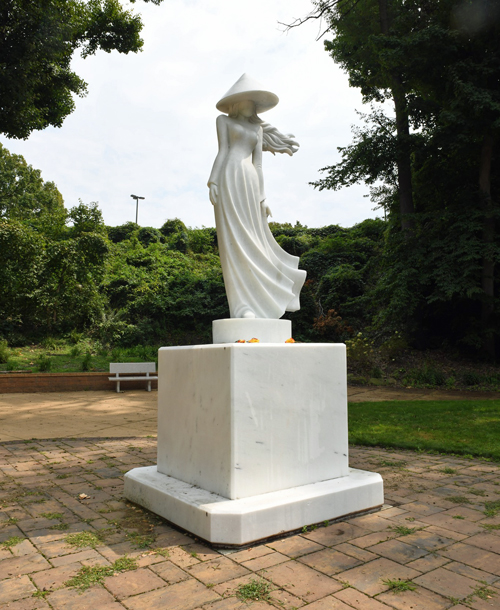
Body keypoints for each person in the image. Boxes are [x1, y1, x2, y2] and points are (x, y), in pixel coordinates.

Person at [207, 74, 306, 319]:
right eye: (249, 100)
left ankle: (260, 299)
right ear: (237, 102)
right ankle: (242, 306)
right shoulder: (223, 121)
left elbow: (259, 164)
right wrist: (213, 181)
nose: (253, 104)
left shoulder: (257, 129)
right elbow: (223, 152)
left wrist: (263, 198)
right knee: (235, 238)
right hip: (229, 176)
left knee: (254, 237)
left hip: (250, 181)